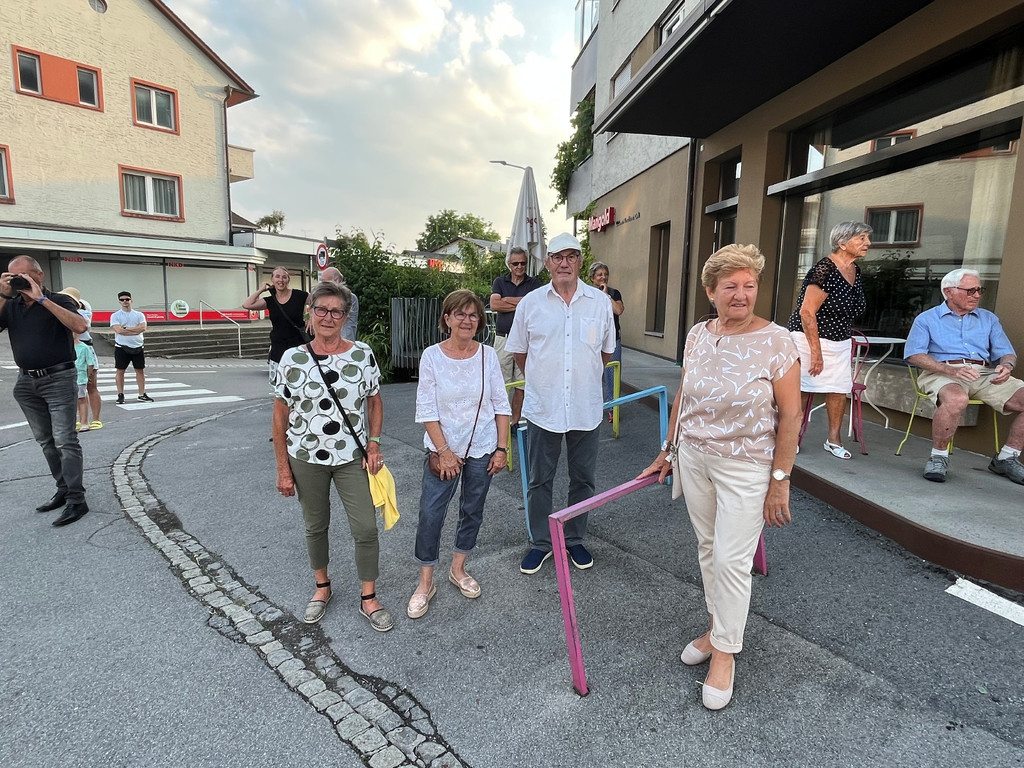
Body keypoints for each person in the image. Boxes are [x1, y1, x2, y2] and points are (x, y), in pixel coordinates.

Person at [639, 243, 801, 711]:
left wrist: (780, 479)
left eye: (749, 286)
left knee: (732, 560)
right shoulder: (697, 334)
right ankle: (717, 627)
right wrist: (668, 449)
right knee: (709, 549)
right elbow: (685, 395)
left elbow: (790, 416)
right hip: (695, 459)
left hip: (747, 466)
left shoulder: (777, 340)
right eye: (731, 286)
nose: (741, 295)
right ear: (711, 291)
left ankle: (726, 653)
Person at [273, 281, 393, 631]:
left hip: (351, 457)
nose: (328, 316)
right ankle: (322, 587)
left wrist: (374, 442)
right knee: (315, 525)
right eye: (321, 309)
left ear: (345, 316)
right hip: (305, 457)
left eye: (336, 311)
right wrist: (283, 468)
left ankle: (368, 597)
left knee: (366, 528)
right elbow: (280, 415)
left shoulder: (362, 353)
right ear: (310, 312)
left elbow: (374, 400)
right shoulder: (292, 358)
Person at [505, 233, 616, 574]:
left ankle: (574, 539)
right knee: (541, 479)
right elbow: (521, 350)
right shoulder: (531, 304)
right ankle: (541, 542)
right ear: (548, 262)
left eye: (571, 256)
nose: (564, 263)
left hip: (585, 405)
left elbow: (606, 352)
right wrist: (543, 377)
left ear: (581, 261)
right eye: (558, 257)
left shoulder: (599, 304)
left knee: (583, 479)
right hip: (544, 406)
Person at [409, 290, 511, 619]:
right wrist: (444, 451)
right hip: (442, 451)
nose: (467, 320)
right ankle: (426, 583)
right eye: (460, 314)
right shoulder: (432, 356)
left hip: (482, 447)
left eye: (473, 315)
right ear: (447, 318)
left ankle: (458, 569)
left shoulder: (488, 355)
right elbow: (426, 408)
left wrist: (501, 448)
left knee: (472, 509)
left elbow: (501, 405)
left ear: (480, 321)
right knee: (431, 514)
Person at [905, 268, 1024, 484]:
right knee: (957, 398)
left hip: (984, 373)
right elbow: (914, 355)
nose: (977, 295)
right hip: (941, 372)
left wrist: (1006, 365)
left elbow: (1006, 352)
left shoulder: (988, 319)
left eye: (979, 290)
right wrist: (951, 370)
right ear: (949, 292)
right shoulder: (927, 319)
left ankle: (1007, 457)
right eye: (970, 291)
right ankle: (939, 457)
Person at [0, 255, 90, 526]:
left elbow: (80, 327)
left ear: (39, 276)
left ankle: (77, 500)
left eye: (24, 275)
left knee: (65, 439)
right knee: (46, 441)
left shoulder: (59, 299)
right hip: (26, 383)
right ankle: (63, 489)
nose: (19, 280)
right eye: (12, 276)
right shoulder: (11, 305)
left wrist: (41, 300)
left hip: (59, 377)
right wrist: (3, 294)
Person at [787, 221, 870, 459]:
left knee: (838, 389)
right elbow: (806, 312)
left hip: (840, 340)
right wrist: (816, 353)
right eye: (861, 238)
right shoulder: (824, 269)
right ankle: (789, 437)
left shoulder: (855, 270)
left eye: (867, 238)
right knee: (802, 388)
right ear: (842, 243)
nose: (868, 243)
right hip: (808, 337)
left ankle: (833, 440)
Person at [489, 245, 541, 428]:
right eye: (516, 263)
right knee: (500, 383)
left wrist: (506, 300)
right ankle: (499, 422)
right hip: (503, 338)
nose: (519, 267)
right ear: (509, 264)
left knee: (521, 384)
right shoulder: (500, 282)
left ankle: (514, 422)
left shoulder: (534, 283)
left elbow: (535, 305)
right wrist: (522, 303)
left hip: (526, 340)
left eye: (523, 263)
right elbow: (494, 305)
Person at [242, 266, 310, 382]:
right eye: (277, 277)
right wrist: (261, 290)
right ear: (272, 280)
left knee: (300, 382)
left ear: (288, 280)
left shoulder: (299, 295)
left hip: (298, 346)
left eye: (284, 277)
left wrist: (312, 316)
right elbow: (247, 305)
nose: (281, 280)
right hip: (278, 347)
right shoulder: (270, 301)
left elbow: (319, 302)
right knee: (278, 384)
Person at [60, 286, 102, 429]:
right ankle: (82, 418)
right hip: (70, 348)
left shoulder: (84, 307)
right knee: (77, 387)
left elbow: (83, 324)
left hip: (85, 347)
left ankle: (96, 419)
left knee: (91, 384)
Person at [589, 261, 625, 414]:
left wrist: (606, 295)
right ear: (592, 278)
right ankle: (591, 406)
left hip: (613, 339)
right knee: (591, 373)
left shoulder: (614, 293)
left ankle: (612, 408)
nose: (603, 277)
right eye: (599, 275)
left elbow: (618, 311)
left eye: (605, 274)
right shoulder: (587, 294)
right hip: (592, 337)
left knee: (612, 375)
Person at [110, 291, 152, 404]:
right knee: (120, 371)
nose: (125, 301)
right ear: (119, 301)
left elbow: (143, 328)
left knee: (140, 370)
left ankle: (142, 393)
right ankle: (120, 394)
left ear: (131, 300)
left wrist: (126, 328)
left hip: (138, 346)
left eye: (127, 299)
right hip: (121, 347)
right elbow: (118, 330)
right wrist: (134, 329)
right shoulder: (115, 315)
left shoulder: (139, 315)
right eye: (122, 299)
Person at [320, 267, 359, 341]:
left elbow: (348, 327)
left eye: (326, 282)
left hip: (343, 342)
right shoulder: (322, 298)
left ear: (338, 280)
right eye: (322, 282)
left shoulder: (350, 298)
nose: (323, 286)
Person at [73, 331, 98, 432]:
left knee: (81, 399)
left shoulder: (84, 347)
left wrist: (88, 375)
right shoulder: (63, 347)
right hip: (67, 378)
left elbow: (90, 363)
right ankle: (73, 422)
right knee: (70, 401)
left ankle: (84, 422)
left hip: (80, 377)